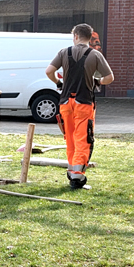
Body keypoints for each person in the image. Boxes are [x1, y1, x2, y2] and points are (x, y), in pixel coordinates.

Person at [45, 23, 114, 190]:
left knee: (70, 138)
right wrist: (98, 81)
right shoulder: (94, 55)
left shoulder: (64, 52)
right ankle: (77, 177)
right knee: (83, 139)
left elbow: (49, 71)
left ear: (75, 36)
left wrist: (59, 83)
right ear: (90, 38)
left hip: (65, 103)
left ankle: (72, 171)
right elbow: (109, 77)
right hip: (84, 102)